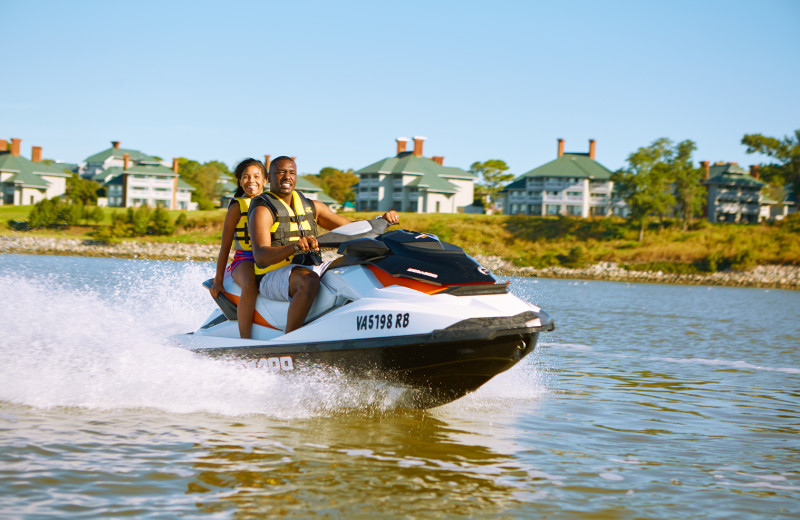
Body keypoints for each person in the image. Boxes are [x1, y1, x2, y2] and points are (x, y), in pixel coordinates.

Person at [249, 156, 399, 333]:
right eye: (280, 172)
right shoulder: (263, 210)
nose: (287, 177)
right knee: (309, 280)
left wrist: (381, 221)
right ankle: (291, 339)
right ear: (269, 177)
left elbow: (353, 228)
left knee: (354, 266)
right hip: (272, 275)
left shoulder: (313, 207)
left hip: (310, 267)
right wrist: (294, 246)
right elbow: (261, 257)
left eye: (291, 173)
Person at [209, 158, 267, 339]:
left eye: (256, 176)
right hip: (245, 259)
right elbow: (225, 247)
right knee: (250, 285)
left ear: (265, 180)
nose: (251, 181)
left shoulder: (272, 204)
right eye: (246, 177)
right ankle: (245, 339)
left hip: (269, 257)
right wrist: (218, 280)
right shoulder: (237, 207)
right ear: (240, 181)